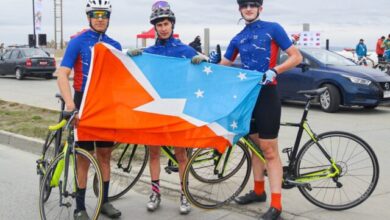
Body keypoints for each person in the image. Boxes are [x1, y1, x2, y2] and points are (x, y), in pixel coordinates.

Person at [193, 0, 302, 219]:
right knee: (254, 146)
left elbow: (296, 57)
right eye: (245, 5)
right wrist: (206, 63)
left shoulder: (273, 29)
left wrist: (275, 70)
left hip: (267, 94)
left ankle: (277, 205)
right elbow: (224, 64)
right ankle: (259, 191)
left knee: (269, 150)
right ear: (240, 9)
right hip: (246, 97)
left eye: (253, 4)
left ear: (260, 8)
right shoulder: (238, 38)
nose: (249, 8)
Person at [127, 1, 197, 215]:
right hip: (156, 108)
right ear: (155, 28)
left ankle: (185, 195)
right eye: (159, 25)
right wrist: (129, 57)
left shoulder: (185, 50)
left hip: (177, 107)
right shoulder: (148, 52)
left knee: (181, 156)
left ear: (172, 25)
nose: (163, 28)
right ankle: (155, 192)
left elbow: (206, 70)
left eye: (166, 23)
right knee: (154, 153)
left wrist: (201, 61)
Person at [56, 0, 122, 219]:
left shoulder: (115, 45)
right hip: (83, 101)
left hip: (106, 104)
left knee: (104, 156)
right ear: (89, 17)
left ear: (109, 18)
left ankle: (103, 203)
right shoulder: (78, 41)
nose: (100, 18)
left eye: (104, 15)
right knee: (84, 157)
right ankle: (80, 207)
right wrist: (70, 104)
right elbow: (62, 74)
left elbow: (121, 79)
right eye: (96, 15)